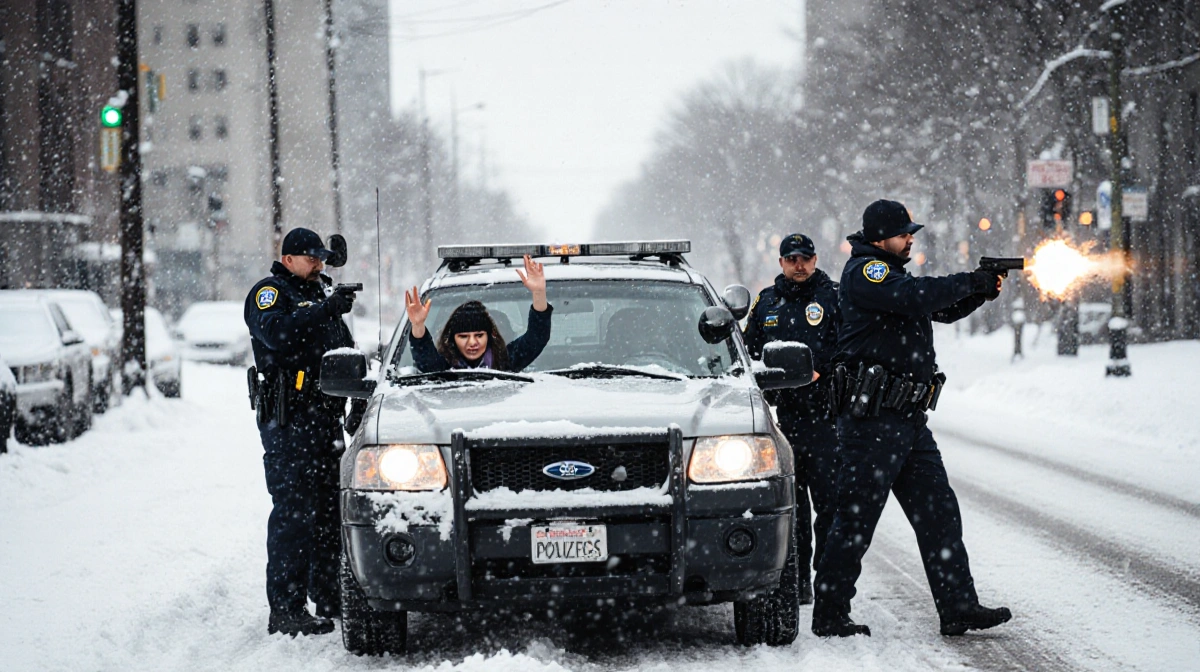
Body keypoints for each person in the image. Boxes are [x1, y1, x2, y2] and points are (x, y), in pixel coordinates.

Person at [812, 200, 1011, 638]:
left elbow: (935, 308)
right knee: (856, 519)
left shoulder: (892, 275)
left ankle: (958, 606)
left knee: (938, 511)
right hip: (872, 423)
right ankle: (829, 613)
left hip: (907, 420)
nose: (910, 239)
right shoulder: (868, 271)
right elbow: (916, 297)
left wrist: (980, 291)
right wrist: (967, 280)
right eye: (904, 234)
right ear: (881, 237)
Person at [244, 227, 357, 637]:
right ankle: (287, 609)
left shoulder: (321, 295)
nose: (319, 265)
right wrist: (326, 310)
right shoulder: (270, 293)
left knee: (329, 514)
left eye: (322, 259)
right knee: (294, 516)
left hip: (325, 419)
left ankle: (328, 596)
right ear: (289, 258)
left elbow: (345, 350)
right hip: (288, 420)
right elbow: (277, 333)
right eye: (312, 258)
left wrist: (358, 395)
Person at [742, 232, 840, 605]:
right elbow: (749, 353)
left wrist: (823, 370)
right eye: (792, 258)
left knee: (830, 509)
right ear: (781, 262)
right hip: (782, 422)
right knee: (791, 511)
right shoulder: (766, 303)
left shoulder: (832, 297)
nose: (799, 265)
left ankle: (831, 589)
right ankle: (797, 586)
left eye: (805, 258)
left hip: (827, 419)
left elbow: (849, 346)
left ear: (815, 260)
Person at [404, 254, 551, 372]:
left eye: (479, 335)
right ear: (452, 339)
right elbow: (424, 359)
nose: (472, 343)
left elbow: (537, 338)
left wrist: (539, 293)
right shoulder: (443, 368)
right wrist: (418, 325)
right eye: (463, 336)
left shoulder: (505, 361)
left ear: (490, 335)